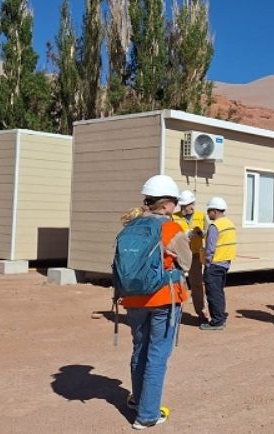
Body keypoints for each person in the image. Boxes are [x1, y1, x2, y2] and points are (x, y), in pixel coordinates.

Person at [119, 175, 191, 429]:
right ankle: (148, 414)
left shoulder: (130, 226)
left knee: (140, 348)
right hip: (165, 298)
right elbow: (187, 262)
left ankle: (138, 400)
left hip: (133, 298)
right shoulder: (172, 228)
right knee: (157, 354)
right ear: (167, 204)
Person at [171, 190, 208, 323]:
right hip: (179, 255)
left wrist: (200, 232)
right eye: (186, 205)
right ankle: (174, 312)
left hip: (195, 255)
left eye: (191, 204)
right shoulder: (174, 217)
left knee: (197, 285)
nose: (190, 207)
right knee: (177, 283)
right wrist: (185, 235)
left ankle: (201, 312)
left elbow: (207, 232)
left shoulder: (200, 215)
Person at [201, 197, 236, 331]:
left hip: (214, 264)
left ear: (214, 211)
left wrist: (207, 263)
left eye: (209, 211)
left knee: (213, 294)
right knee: (219, 292)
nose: (208, 214)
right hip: (225, 264)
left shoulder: (215, 226)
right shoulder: (229, 224)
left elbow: (210, 247)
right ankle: (219, 317)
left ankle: (217, 321)